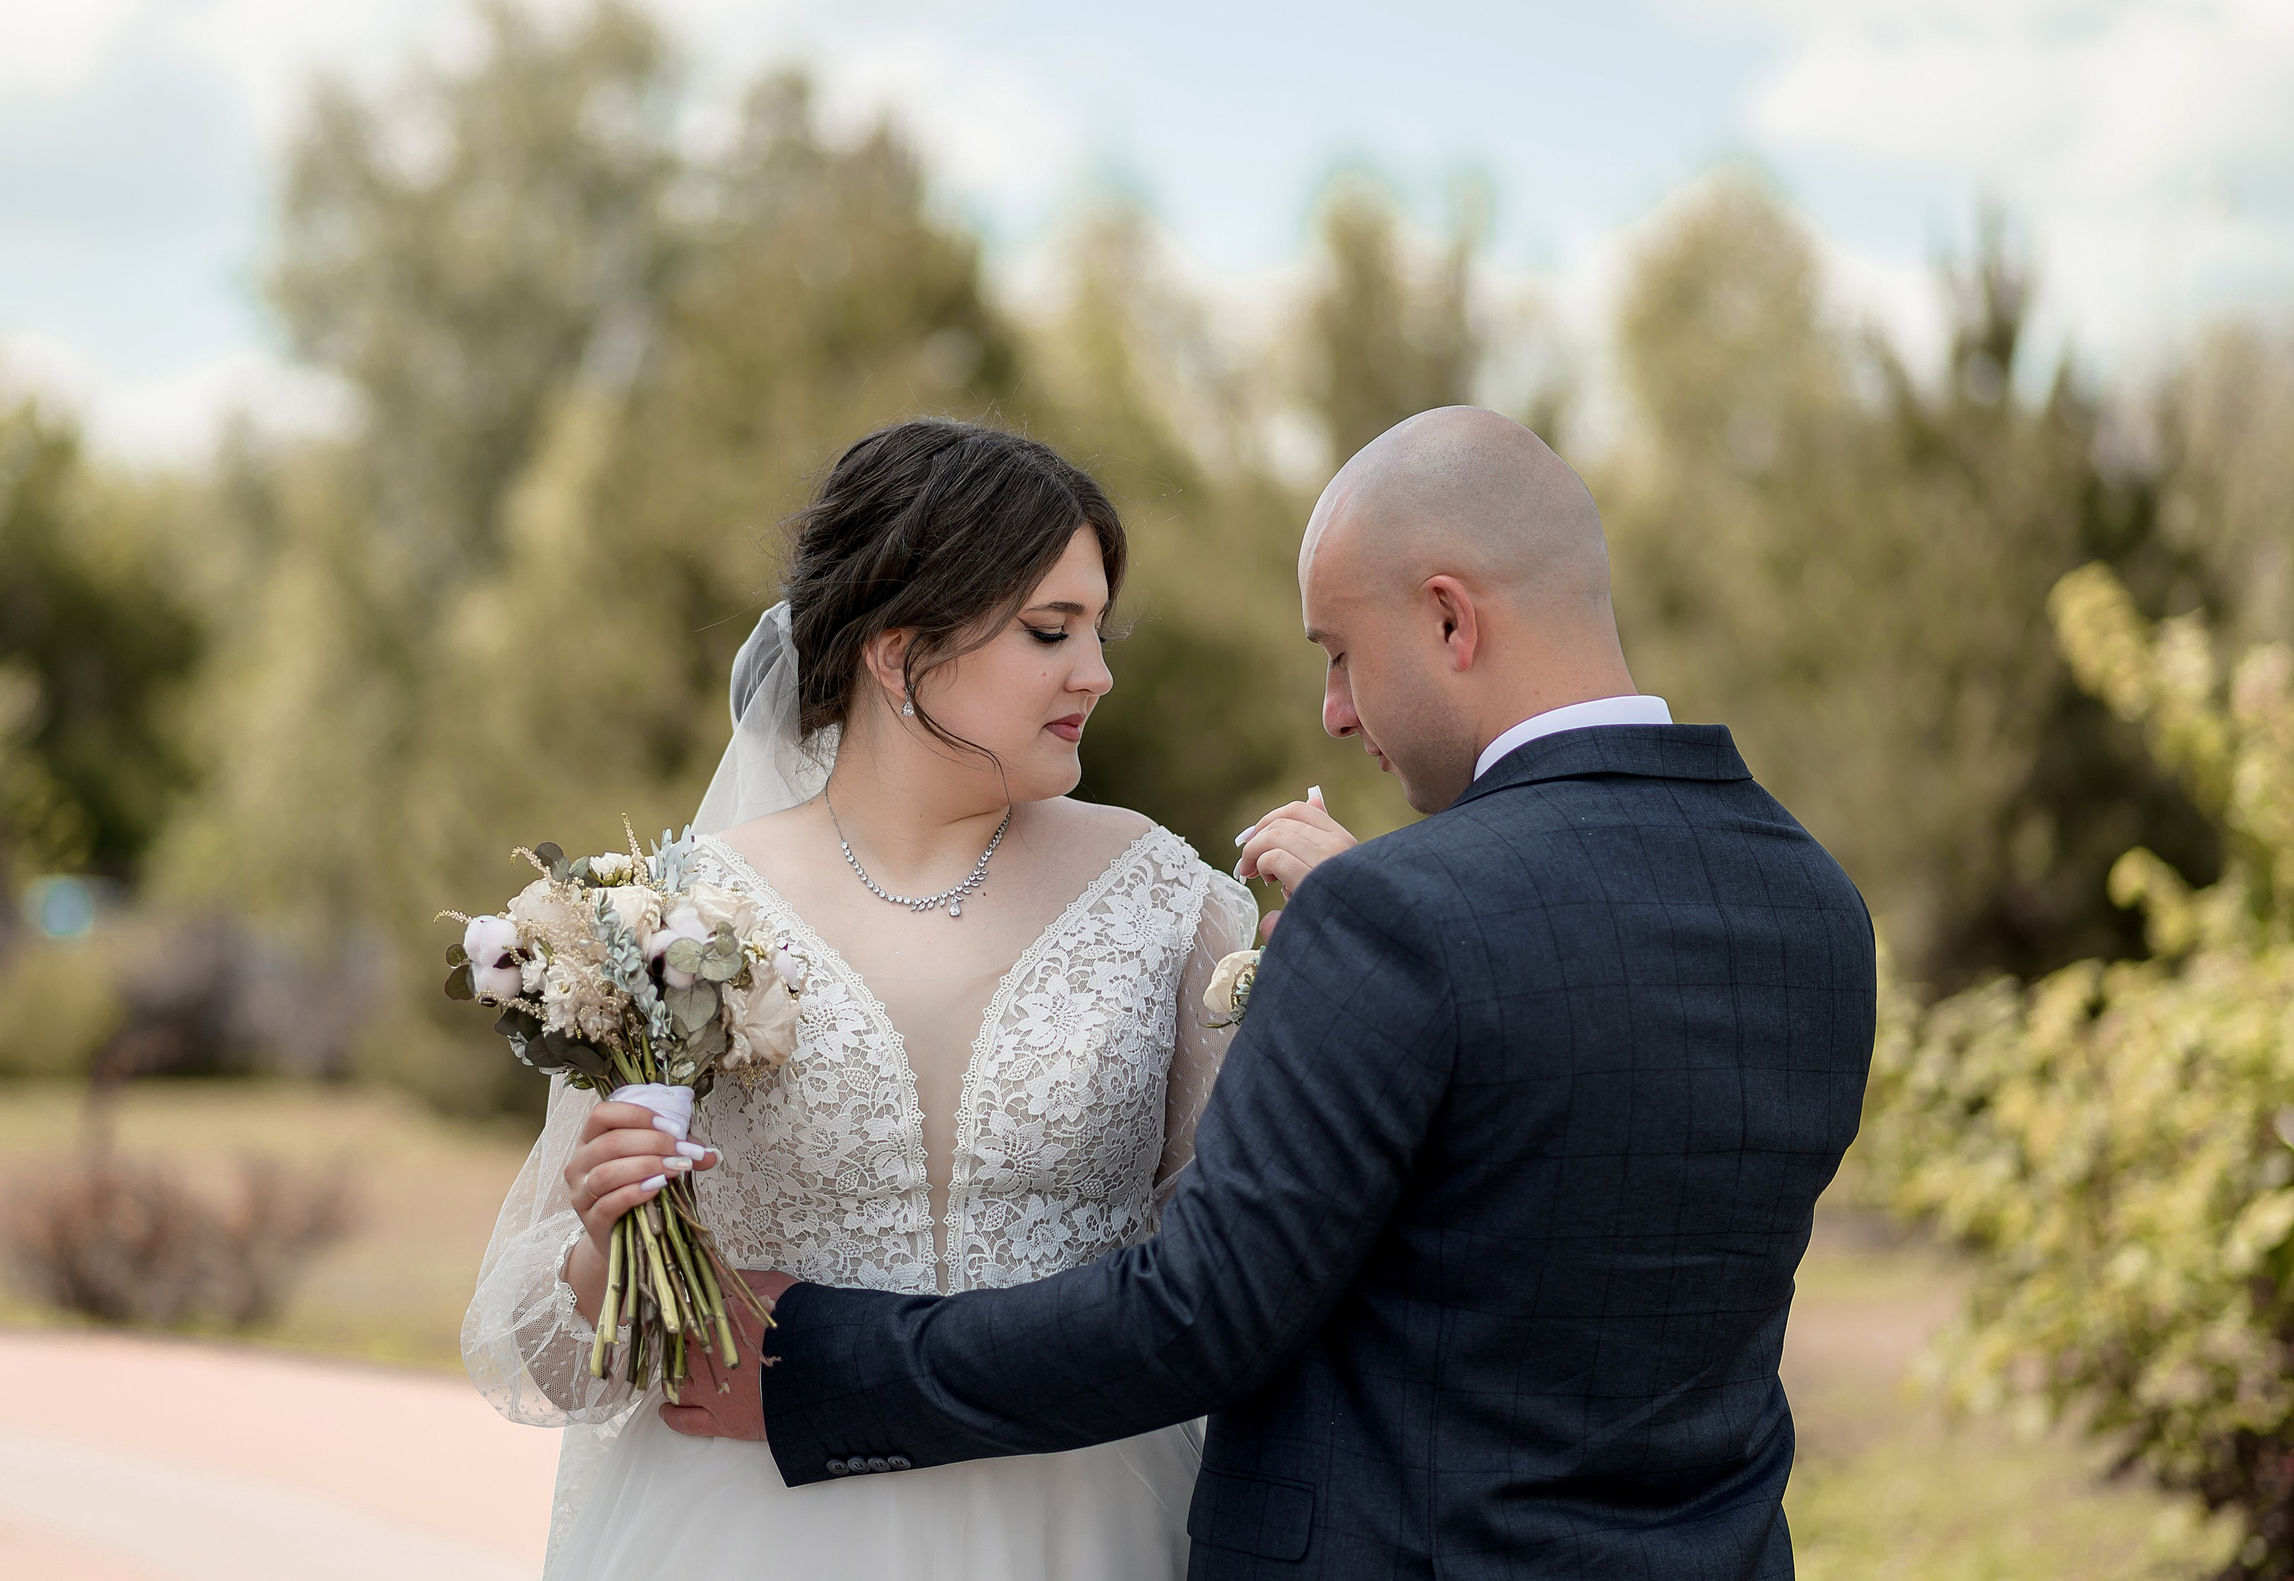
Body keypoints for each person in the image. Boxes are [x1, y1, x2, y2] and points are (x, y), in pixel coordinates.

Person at [672, 406, 1880, 1580]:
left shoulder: (1397, 913)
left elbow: (1200, 1311)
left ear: (1448, 618)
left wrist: (810, 1361)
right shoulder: (1811, 900)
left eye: (1338, 652)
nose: (1334, 711)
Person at [460, 417, 1259, 1579]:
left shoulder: (1169, 901)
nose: (1096, 671)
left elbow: (1242, 1268)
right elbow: (551, 1362)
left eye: (1097, 628)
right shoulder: (684, 919)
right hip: (745, 1524)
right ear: (897, 651)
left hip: (1092, 1516)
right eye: (1051, 630)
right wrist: (603, 1238)